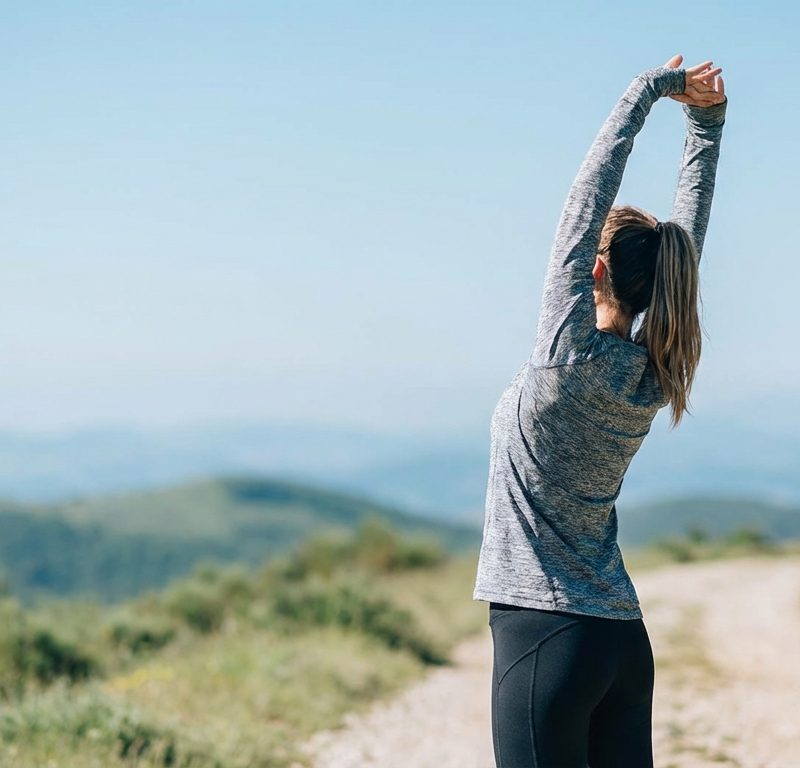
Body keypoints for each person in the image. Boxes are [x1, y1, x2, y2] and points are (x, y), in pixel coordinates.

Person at [472, 53, 727, 768]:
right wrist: (705, 124)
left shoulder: (566, 355)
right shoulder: (655, 369)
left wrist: (650, 91)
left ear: (590, 269)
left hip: (544, 637)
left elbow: (586, 201)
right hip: (620, 642)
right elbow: (686, 245)